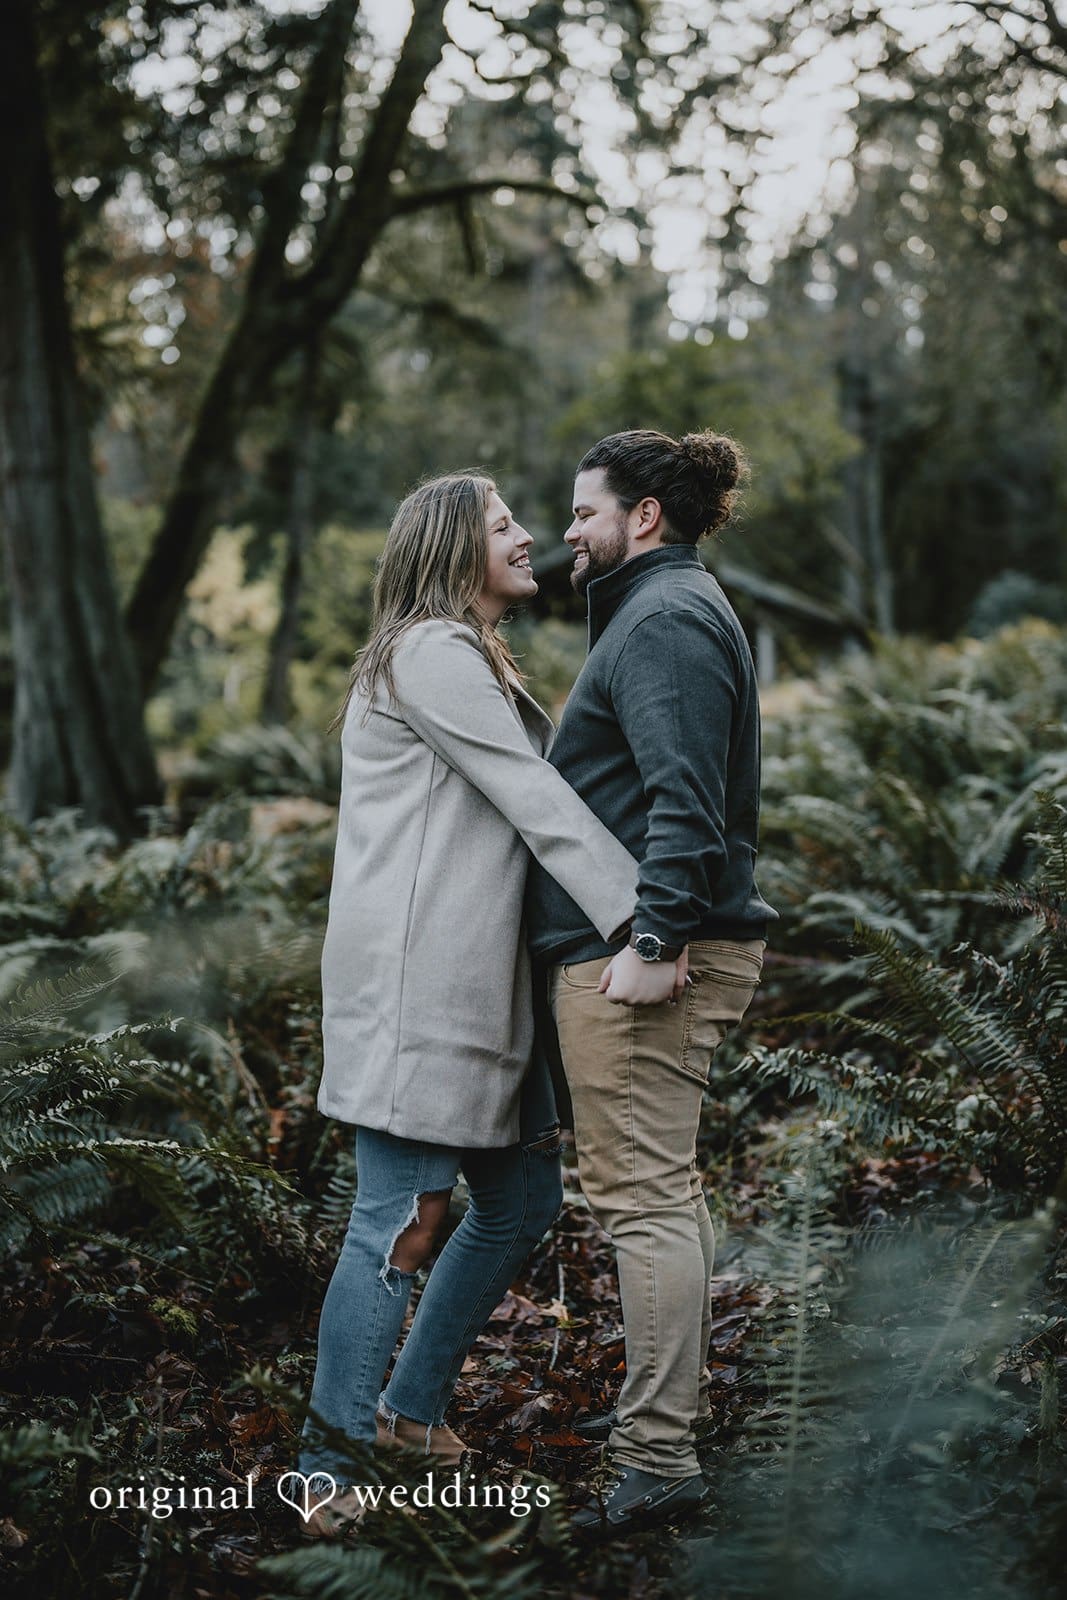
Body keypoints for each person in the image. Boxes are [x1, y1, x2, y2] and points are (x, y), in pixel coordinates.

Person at [295, 472, 683, 1539]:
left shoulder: (459, 654)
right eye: (504, 523)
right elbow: (535, 797)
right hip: (421, 987)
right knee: (396, 1223)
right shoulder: (428, 652)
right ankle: (328, 1470)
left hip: (475, 984)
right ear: (451, 549)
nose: (529, 538)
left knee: (518, 1202)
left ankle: (408, 1413)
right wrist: (642, 919)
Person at [525, 428, 778, 1534]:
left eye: (582, 511)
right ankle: (660, 1441)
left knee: (640, 1198)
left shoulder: (665, 621)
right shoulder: (655, 611)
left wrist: (651, 941)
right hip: (638, 945)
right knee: (655, 1192)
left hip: (644, 956)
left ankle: (657, 1456)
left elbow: (687, 803)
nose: (564, 531)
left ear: (642, 517)